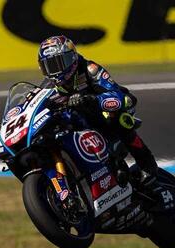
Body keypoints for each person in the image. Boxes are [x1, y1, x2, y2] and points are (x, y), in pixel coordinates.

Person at [37, 35, 161, 195]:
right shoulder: (47, 87)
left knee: (120, 117)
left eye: (59, 63)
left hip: (102, 117)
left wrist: (90, 99)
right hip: (76, 124)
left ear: (72, 58)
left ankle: (146, 162)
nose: (56, 70)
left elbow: (118, 96)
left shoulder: (90, 69)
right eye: (50, 66)